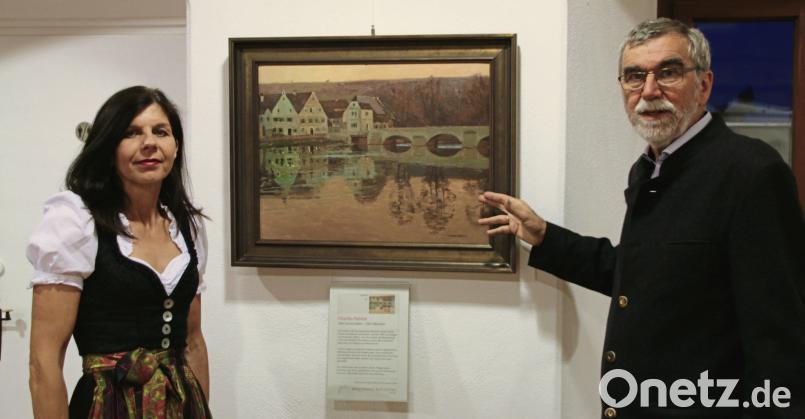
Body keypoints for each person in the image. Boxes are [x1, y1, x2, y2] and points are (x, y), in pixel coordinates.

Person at [480, 18, 805, 418]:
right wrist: (546, 236)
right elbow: (643, 276)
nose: (649, 91)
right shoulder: (649, 168)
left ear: (704, 85)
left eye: (667, 72)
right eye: (634, 77)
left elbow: (779, 341)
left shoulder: (753, 171)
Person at [27, 86, 212, 418]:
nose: (149, 143)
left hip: (180, 403)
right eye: (131, 133)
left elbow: (193, 342)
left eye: (161, 131)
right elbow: (44, 360)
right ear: (108, 147)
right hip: (106, 406)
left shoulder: (187, 227)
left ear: (176, 145)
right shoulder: (76, 222)